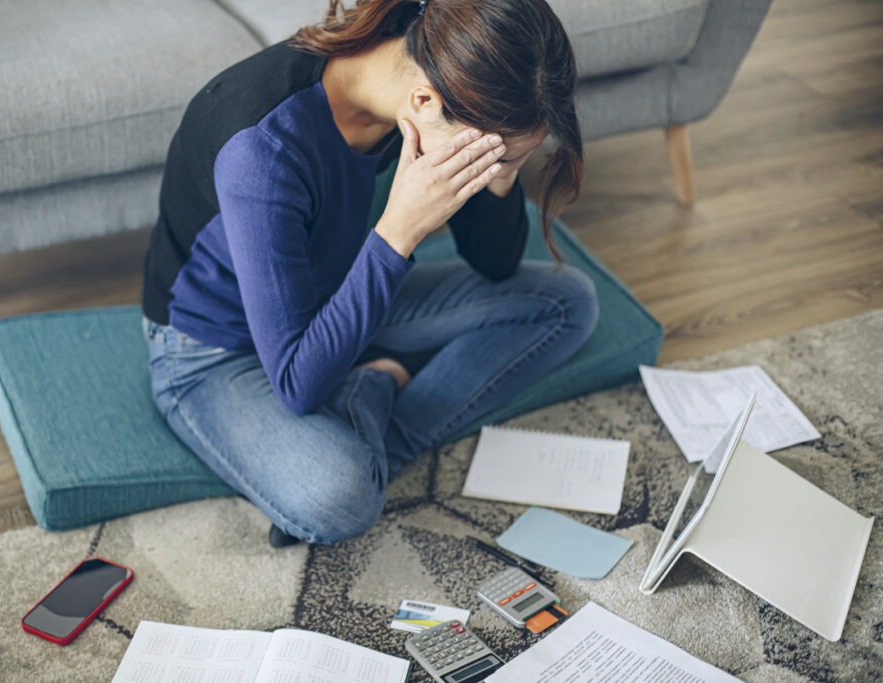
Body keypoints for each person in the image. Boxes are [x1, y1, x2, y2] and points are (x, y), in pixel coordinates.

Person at [141, 0, 599, 547]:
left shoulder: (431, 77)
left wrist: (502, 175)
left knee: (567, 303)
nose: (494, 171)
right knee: (341, 496)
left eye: (507, 161)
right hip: (212, 352)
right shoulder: (262, 150)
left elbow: (495, 266)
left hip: (335, 291)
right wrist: (397, 234)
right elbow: (296, 383)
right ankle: (371, 393)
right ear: (424, 101)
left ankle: (366, 405)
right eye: (493, 158)